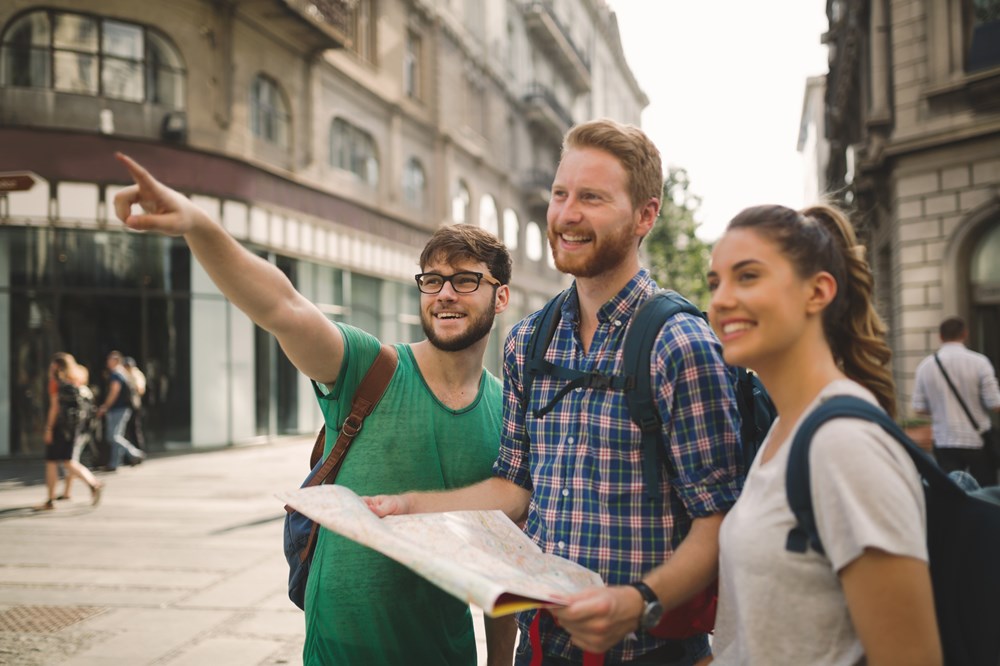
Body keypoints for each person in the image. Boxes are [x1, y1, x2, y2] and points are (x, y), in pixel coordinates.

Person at [111, 152, 517, 666]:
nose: (443, 294)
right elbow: (283, 306)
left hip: (444, 653)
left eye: (465, 280)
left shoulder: (509, 411)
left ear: (500, 297)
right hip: (338, 651)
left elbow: (503, 557)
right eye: (432, 280)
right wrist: (198, 225)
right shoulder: (374, 368)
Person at [369, 118, 743, 665]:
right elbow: (515, 488)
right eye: (561, 194)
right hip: (543, 649)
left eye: (591, 197)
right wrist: (409, 506)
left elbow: (719, 520)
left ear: (646, 215)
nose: (567, 215)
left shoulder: (679, 343)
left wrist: (639, 601)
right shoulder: (528, 342)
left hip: (651, 652)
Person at [705, 204, 941, 664]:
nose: (721, 300)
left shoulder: (844, 444)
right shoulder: (784, 429)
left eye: (747, 277)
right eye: (715, 283)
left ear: (818, 292)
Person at [912, 317, 1000, 487]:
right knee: (986, 492)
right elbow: (995, 404)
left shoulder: (926, 366)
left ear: (940, 336)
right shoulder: (980, 362)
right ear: (964, 334)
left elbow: (919, 408)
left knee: (951, 494)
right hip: (978, 439)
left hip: (944, 439)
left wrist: (941, 407)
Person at [40, 352, 104, 509]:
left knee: (54, 462)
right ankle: (86, 485)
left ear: (56, 366)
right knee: (68, 460)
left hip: (59, 427)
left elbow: (54, 407)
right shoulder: (77, 379)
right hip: (74, 427)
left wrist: (48, 428)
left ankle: (50, 500)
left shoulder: (56, 382)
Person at [95, 351, 146, 470]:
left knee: (113, 436)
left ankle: (135, 453)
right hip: (123, 408)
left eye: (110, 359)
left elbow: (114, 392)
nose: (107, 362)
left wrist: (105, 406)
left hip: (117, 409)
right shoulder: (123, 373)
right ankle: (114, 463)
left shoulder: (116, 374)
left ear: (116, 361)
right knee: (117, 435)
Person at [123, 356, 147, 451]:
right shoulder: (126, 374)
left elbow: (140, 389)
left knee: (135, 428)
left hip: (134, 405)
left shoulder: (136, 374)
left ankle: (139, 450)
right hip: (129, 405)